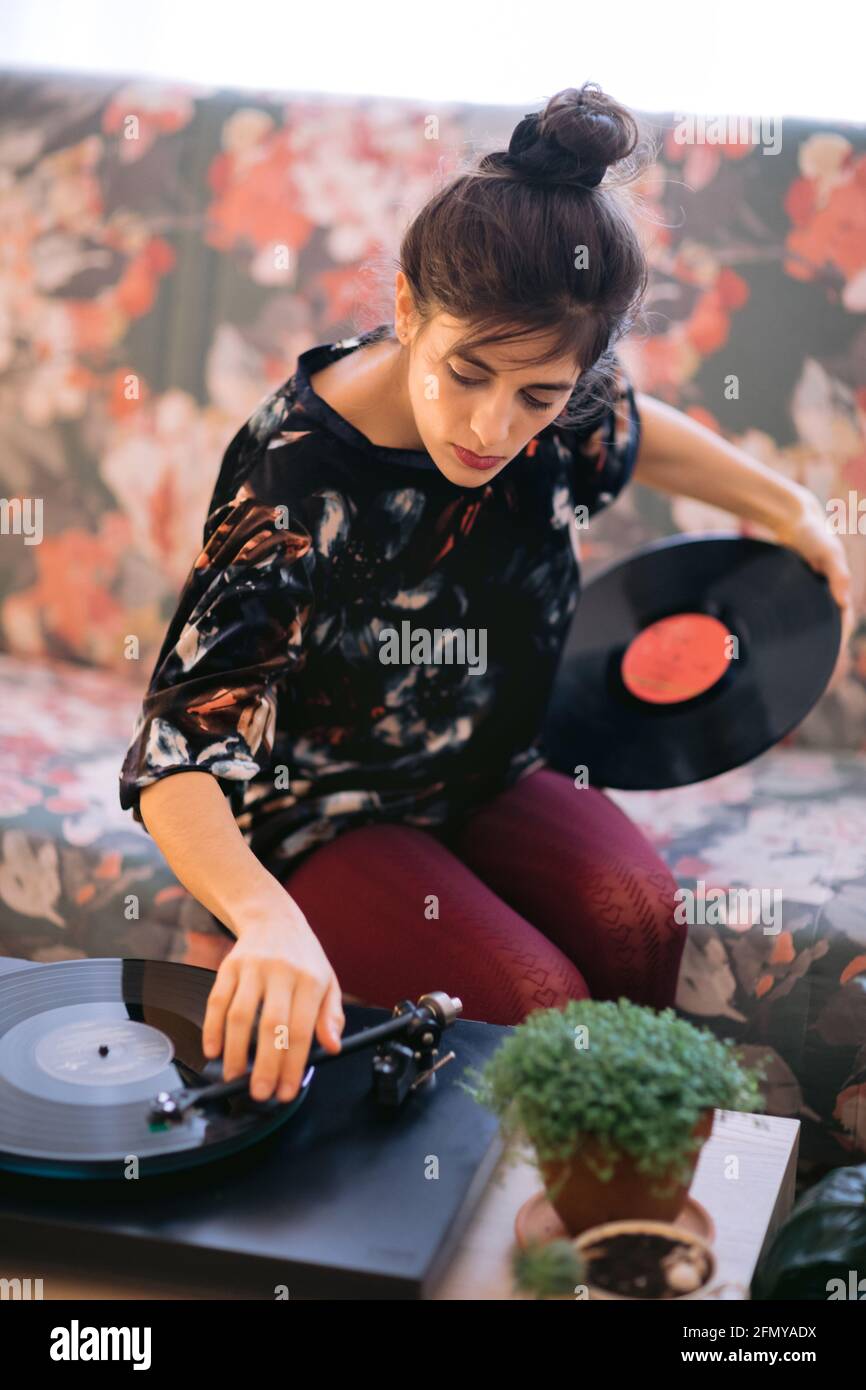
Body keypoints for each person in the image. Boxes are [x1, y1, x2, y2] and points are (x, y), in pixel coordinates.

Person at [118, 83, 853, 1107]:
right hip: (327, 813)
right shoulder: (296, 477)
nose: (491, 426)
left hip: (497, 759)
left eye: (537, 396)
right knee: (534, 998)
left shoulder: (552, 405)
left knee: (638, 912)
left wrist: (786, 506)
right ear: (410, 308)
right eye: (464, 373)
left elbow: (639, 429)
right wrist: (263, 915)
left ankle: (611, 1198)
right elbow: (176, 752)